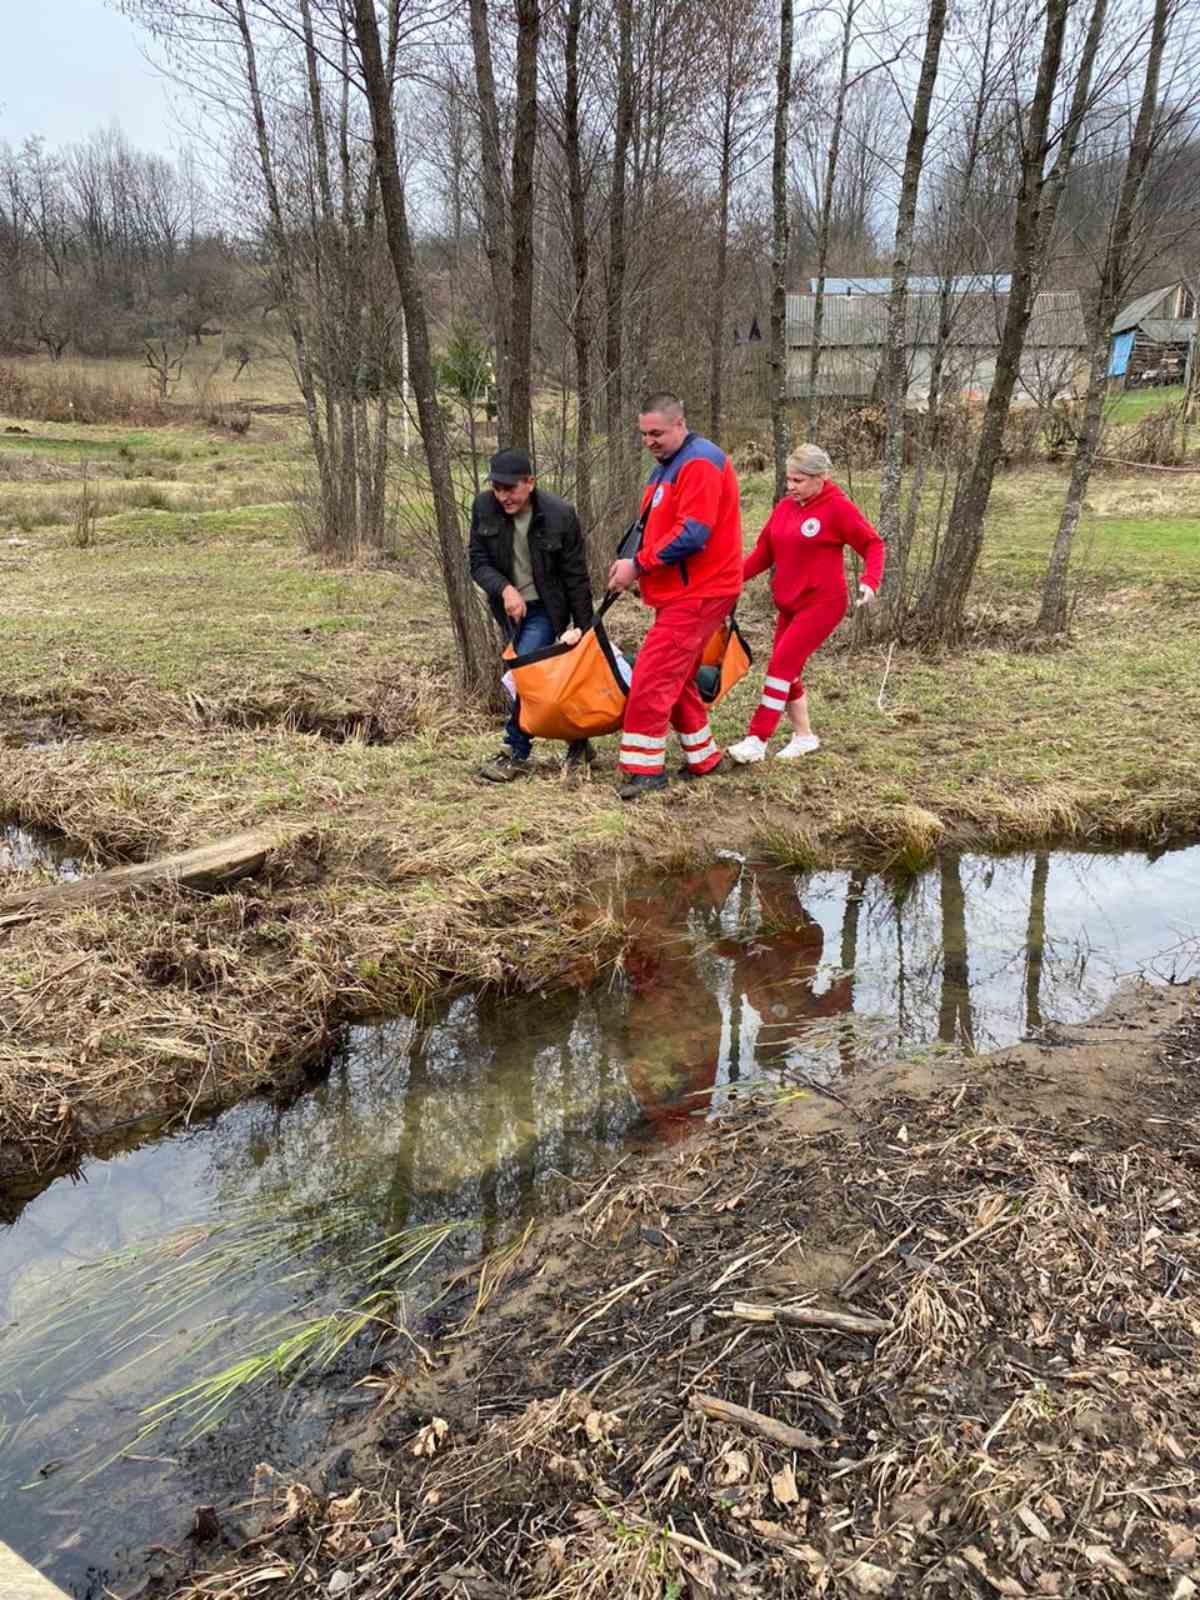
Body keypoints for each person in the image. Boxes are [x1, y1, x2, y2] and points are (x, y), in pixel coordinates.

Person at [606, 393, 743, 801]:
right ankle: (704, 758)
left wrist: (640, 565)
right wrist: (629, 563)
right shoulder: (665, 469)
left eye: (657, 433)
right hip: (680, 590)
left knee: (652, 674)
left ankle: (643, 771)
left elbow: (693, 533)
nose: (649, 441)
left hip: (700, 591)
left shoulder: (699, 462)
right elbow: (654, 529)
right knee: (678, 675)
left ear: (679, 424)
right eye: (644, 434)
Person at [728, 443, 885, 765]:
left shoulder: (838, 508)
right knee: (789, 670)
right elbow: (763, 554)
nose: (790, 486)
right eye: (789, 479)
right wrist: (728, 581)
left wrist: (870, 582)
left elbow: (872, 544)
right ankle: (804, 736)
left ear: (821, 478)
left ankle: (757, 740)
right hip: (789, 604)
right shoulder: (785, 507)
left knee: (780, 668)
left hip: (823, 604)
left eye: (798, 480)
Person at [468, 448, 594, 782]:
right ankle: (579, 740)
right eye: (497, 488)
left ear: (530, 482)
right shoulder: (484, 507)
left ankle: (515, 752)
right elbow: (478, 562)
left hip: (546, 609)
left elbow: (575, 574)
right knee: (541, 680)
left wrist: (585, 627)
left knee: (525, 671)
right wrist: (505, 589)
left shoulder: (559, 514)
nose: (503, 496)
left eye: (510, 488)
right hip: (509, 610)